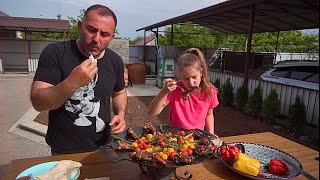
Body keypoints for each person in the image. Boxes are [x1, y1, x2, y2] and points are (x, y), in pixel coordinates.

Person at [30, 4, 127, 155]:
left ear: (112, 37)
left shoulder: (115, 61)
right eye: (91, 30)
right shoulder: (55, 53)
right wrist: (73, 82)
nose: (96, 39)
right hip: (64, 150)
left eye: (104, 34)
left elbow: (119, 93)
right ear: (80, 26)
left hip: (104, 146)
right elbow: (38, 102)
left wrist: (120, 114)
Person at [148, 48, 219, 134]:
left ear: (201, 72)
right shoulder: (175, 89)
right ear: (180, 76)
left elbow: (209, 114)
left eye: (194, 77)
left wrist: (211, 135)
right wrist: (163, 92)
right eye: (185, 78)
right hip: (177, 136)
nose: (191, 83)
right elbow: (152, 112)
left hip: (198, 136)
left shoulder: (210, 91)